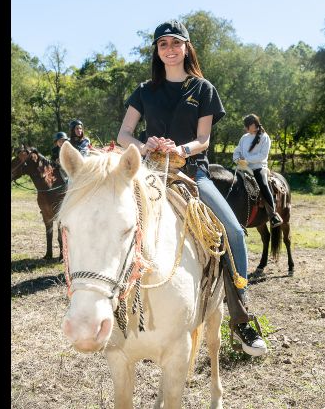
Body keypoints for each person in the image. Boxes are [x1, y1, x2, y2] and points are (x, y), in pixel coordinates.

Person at [117, 19, 267, 356]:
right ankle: (112, 305)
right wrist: (145, 143)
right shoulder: (144, 91)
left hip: (193, 173)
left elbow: (203, 139)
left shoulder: (202, 89)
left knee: (235, 232)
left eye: (175, 43)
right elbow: (123, 134)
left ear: (186, 47)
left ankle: (241, 317)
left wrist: (180, 149)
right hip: (150, 173)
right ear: (157, 51)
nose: (169, 50)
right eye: (162, 45)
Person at [233, 114, 284, 228]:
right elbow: (237, 151)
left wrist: (247, 160)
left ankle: (273, 215)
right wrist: (237, 159)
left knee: (264, 185)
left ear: (252, 125)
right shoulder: (244, 138)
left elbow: (262, 155)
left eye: (247, 126)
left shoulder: (265, 137)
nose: (245, 128)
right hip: (243, 168)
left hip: (259, 167)